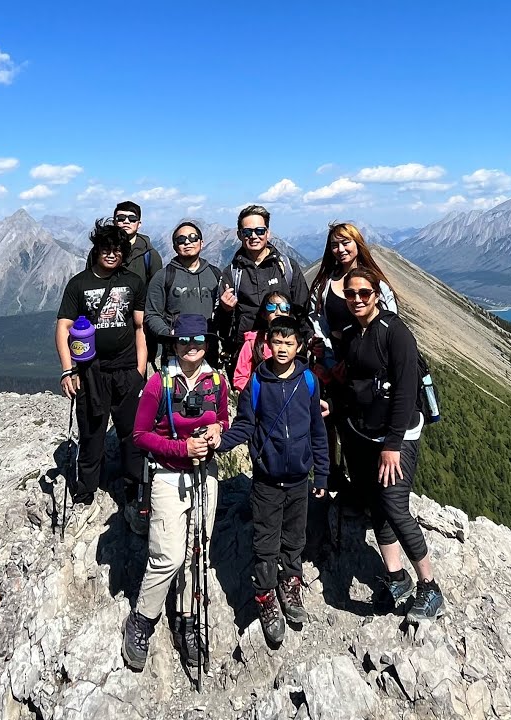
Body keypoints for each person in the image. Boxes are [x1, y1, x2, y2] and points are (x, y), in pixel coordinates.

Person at [334, 266, 443, 623]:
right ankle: (396, 577)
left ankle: (429, 586)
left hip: (396, 436)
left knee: (395, 506)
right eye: (351, 294)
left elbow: (406, 390)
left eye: (364, 293)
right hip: (366, 434)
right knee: (377, 506)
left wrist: (393, 444)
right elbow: (355, 386)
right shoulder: (351, 334)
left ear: (376, 295)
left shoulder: (396, 332)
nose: (357, 299)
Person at [123, 314, 230, 672]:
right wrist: (181, 449)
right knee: (167, 557)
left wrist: (217, 431)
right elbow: (140, 436)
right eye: (185, 341)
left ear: (207, 343)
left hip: (205, 476)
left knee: (197, 552)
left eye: (198, 340)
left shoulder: (216, 381)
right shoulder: (159, 383)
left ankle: (186, 620)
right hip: (168, 476)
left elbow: (223, 419)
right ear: (174, 345)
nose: (192, 347)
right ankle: (142, 620)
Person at [217, 316, 328, 646]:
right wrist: (220, 442)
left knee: (294, 538)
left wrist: (321, 473)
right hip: (266, 480)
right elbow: (245, 425)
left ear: (299, 346)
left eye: (289, 343)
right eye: (276, 342)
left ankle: (290, 586)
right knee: (265, 543)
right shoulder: (256, 383)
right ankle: (266, 598)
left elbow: (317, 430)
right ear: (267, 344)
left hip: (299, 480)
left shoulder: (308, 381)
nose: (282, 348)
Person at [55, 219, 147, 517]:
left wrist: (140, 371)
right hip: (90, 371)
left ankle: (134, 487)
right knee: (91, 432)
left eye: (117, 249)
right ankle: (86, 490)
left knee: (131, 432)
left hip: (126, 370)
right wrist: (68, 370)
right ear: (96, 249)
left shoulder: (134, 282)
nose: (111, 253)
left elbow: (140, 328)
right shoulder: (78, 284)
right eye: (106, 248)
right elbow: (63, 327)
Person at [305, 222, 398, 495]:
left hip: (370, 369)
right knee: (337, 422)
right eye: (335, 244)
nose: (340, 249)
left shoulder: (376, 283)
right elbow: (318, 325)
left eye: (346, 242)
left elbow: (390, 324)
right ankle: (338, 478)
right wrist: (329, 360)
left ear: (358, 244)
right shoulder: (324, 285)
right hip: (335, 367)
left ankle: (371, 485)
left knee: (367, 424)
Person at [216, 205, 310, 369]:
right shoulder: (232, 273)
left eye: (259, 231)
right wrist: (225, 310)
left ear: (268, 233)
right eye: (247, 232)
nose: (253, 236)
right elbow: (222, 323)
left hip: (285, 354)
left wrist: (307, 342)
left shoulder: (287, 267)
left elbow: (302, 311)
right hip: (246, 356)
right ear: (239, 235)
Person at [145, 221, 222, 367]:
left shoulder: (215, 274)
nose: (187, 242)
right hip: (175, 351)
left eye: (193, 238)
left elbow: (220, 312)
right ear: (174, 246)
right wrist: (168, 333)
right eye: (181, 240)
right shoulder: (163, 276)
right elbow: (151, 314)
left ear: (202, 243)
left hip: (207, 350)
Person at [231, 290, 292, 392]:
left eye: (284, 307)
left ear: (289, 313)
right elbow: (240, 378)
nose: (278, 312)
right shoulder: (252, 342)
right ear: (264, 314)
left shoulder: (295, 341)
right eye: (271, 307)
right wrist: (258, 393)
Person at [113, 201, 162, 290]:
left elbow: (156, 289)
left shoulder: (150, 255)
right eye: (121, 218)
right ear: (114, 222)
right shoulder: (100, 251)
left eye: (132, 219)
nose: (126, 222)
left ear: (139, 224)